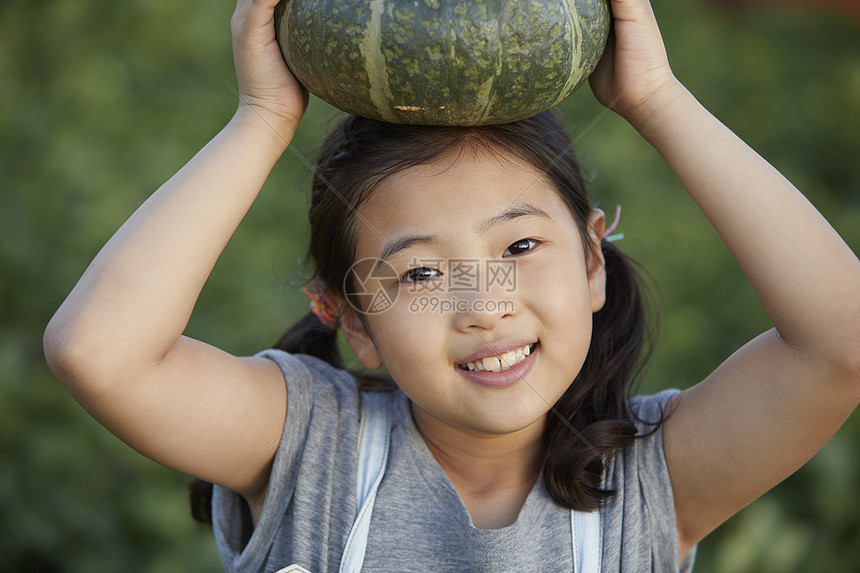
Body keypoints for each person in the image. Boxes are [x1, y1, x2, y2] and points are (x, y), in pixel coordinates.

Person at [43, 0, 860, 571]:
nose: (486, 304)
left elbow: (842, 338)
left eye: (523, 243)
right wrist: (261, 118)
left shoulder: (651, 480)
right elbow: (98, 352)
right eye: (422, 271)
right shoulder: (309, 448)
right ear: (352, 322)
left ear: (591, 263)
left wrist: (657, 97)